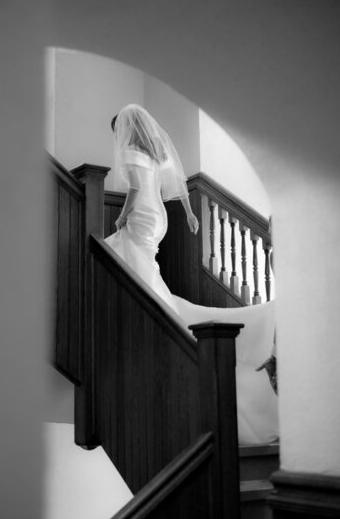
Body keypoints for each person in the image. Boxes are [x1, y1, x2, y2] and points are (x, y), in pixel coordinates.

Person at [105, 104, 278, 445]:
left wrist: (121, 216)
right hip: (160, 218)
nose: (118, 136)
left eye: (118, 130)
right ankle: (156, 308)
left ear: (124, 129)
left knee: (123, 251)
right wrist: (188, 215)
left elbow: (137, 189)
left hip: (142, 212)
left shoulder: (130, 152)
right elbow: (178, 185)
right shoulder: (154, 149)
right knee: (140, 262)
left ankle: (158, 317)